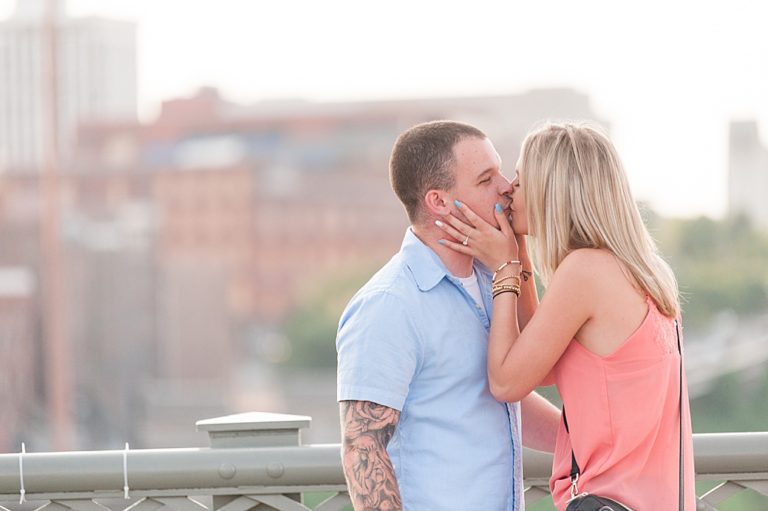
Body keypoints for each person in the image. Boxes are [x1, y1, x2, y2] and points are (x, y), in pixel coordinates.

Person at [435, 121, 696, 510]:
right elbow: (540, 366)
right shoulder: (645, 272)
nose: (508, 190)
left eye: (521, 181)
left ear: (550, 191)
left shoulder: (585, 271)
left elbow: (507, 382)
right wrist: (519, 252)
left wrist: (505, 269)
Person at [336, 120, 561, 511]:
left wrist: (594, 440)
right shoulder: (390, 304)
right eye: (486, 178)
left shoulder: (493, 279)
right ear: (438, 202)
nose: (507, 187)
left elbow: (500, 398)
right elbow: (363, 445)